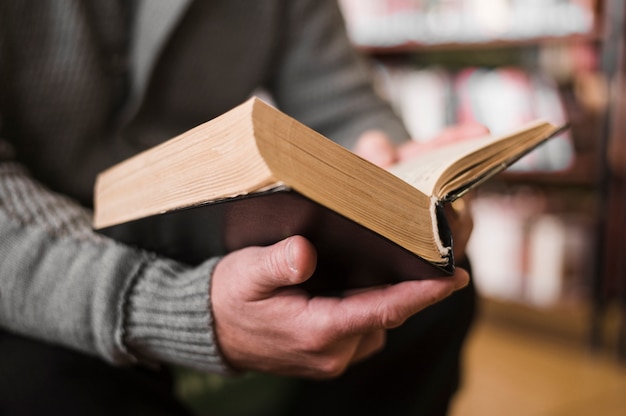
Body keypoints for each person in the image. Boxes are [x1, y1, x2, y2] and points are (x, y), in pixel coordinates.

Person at [0, 0, 482, 414]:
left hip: (202, 223)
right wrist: (166, 308)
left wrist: (401, 192)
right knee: (49, 383)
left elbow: (347, 107)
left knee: (435, 288)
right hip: (43, 243)